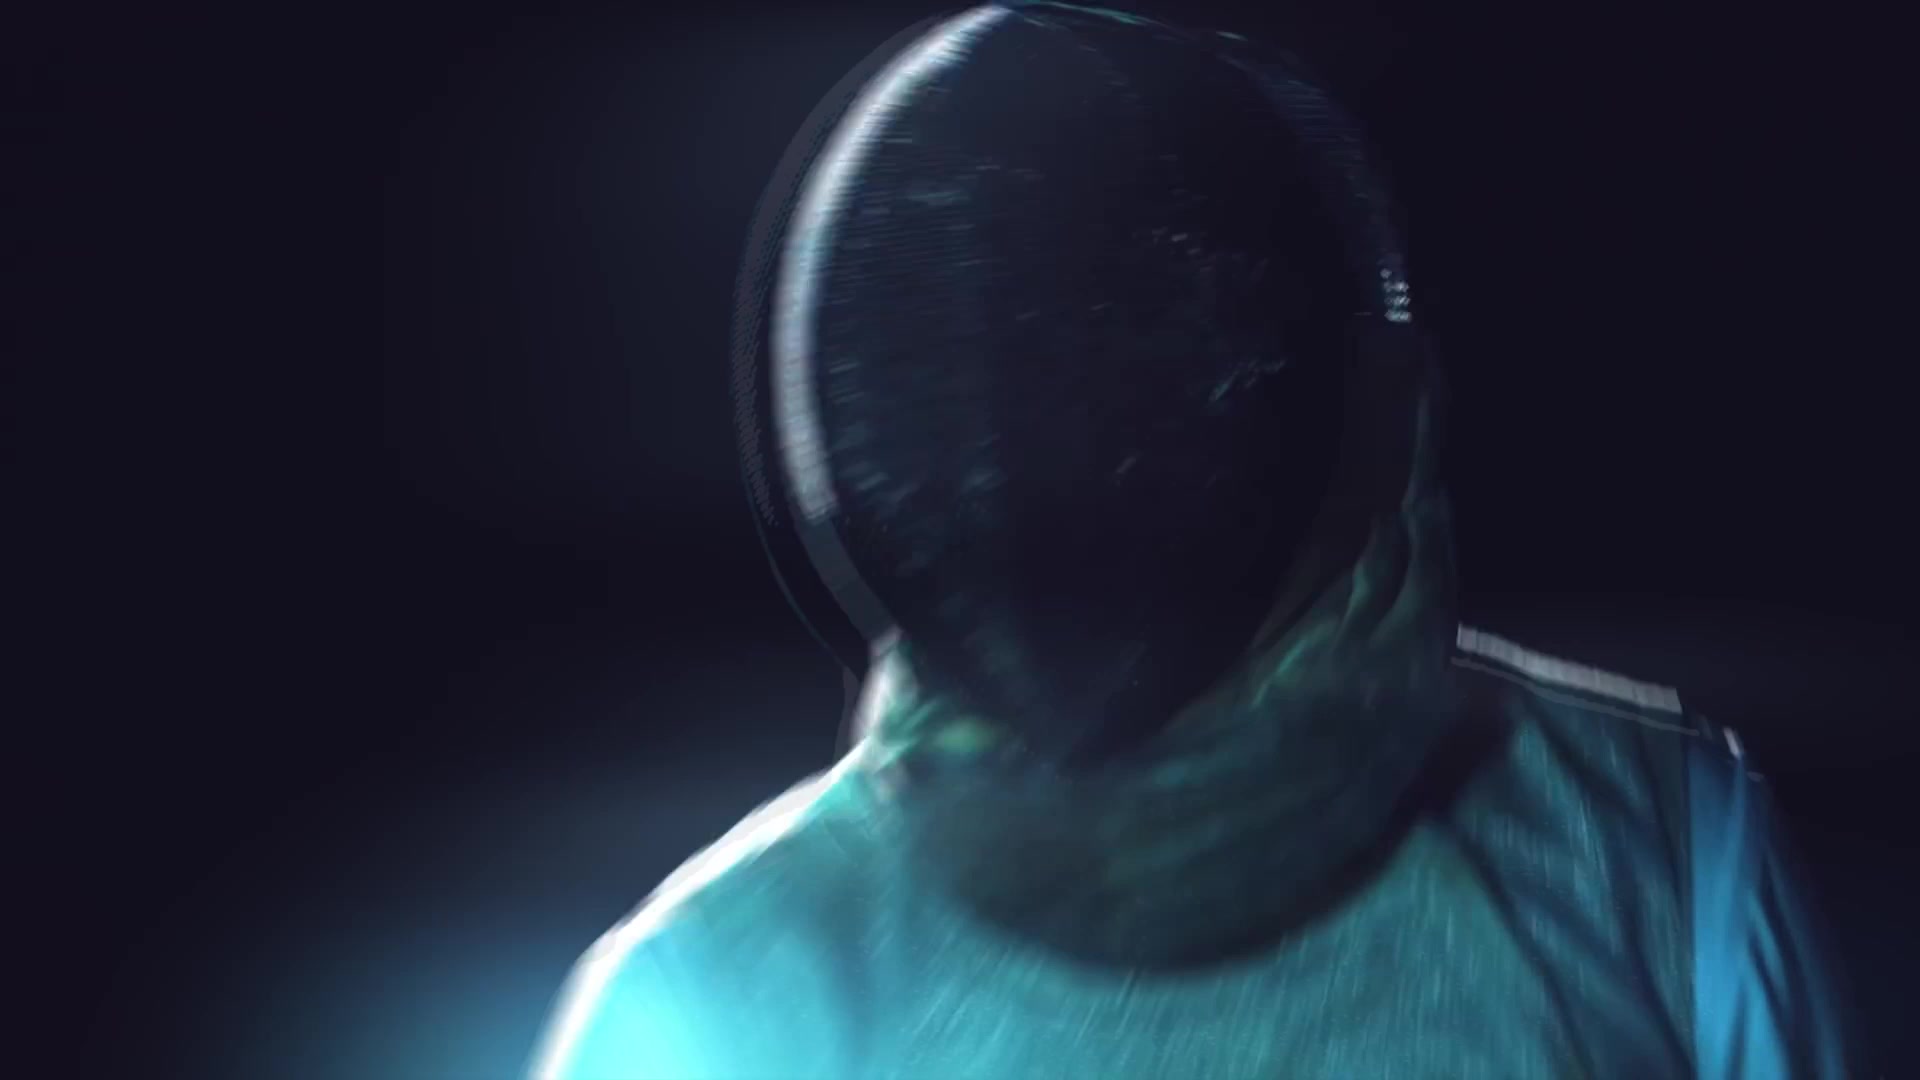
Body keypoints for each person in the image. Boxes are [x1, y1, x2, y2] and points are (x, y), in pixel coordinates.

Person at [530, 4, 1864, 1076]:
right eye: (1013, 362)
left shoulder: (1658, 850)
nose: (1070, 434)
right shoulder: (712, 995)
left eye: (1151, 341)